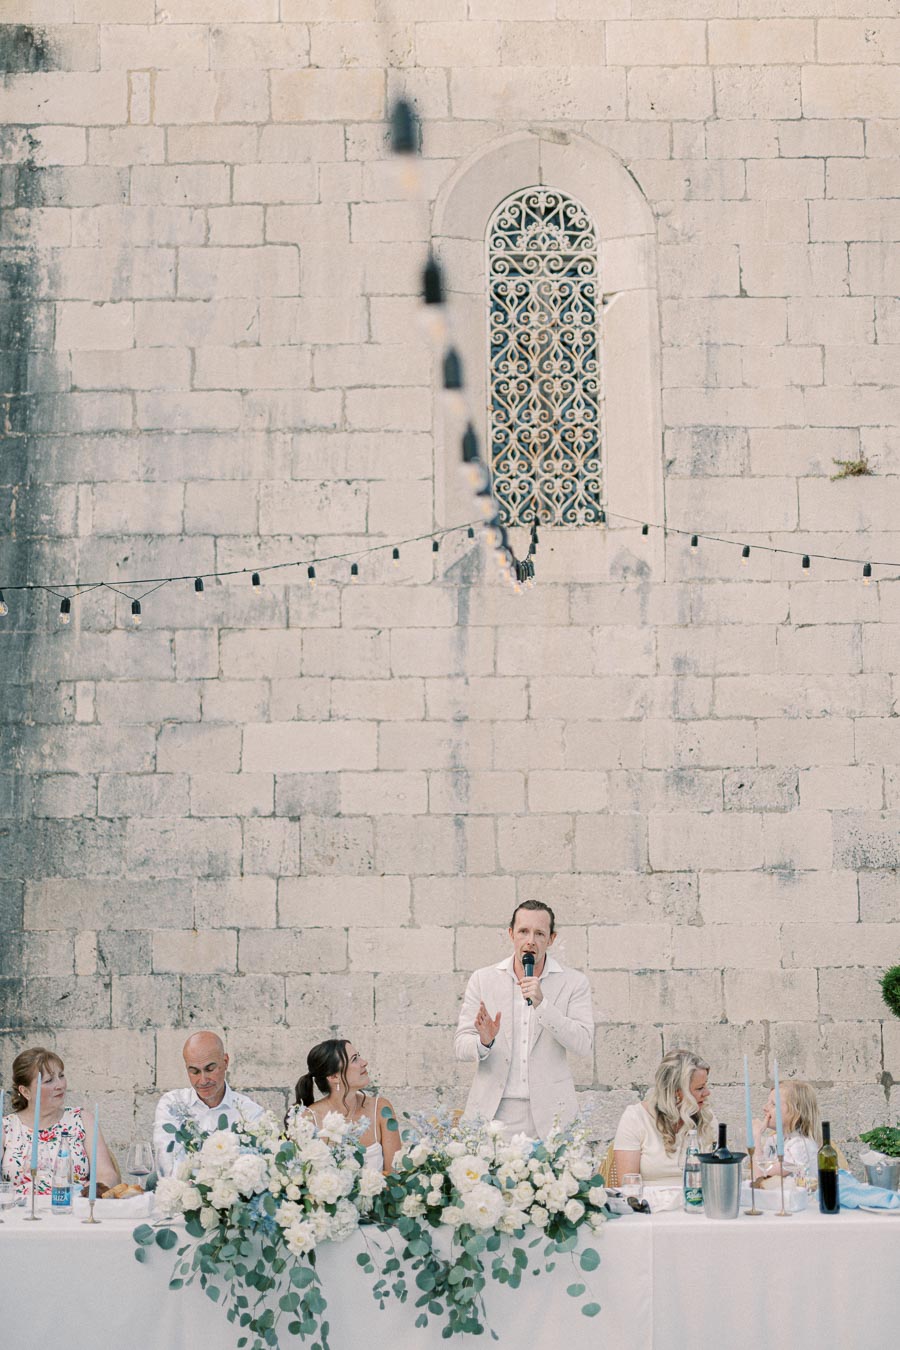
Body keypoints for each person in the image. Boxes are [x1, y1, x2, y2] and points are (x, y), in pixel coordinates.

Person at [454, 900, 594, 1140]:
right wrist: (484, 1042)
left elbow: (582, 1044)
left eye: (539, 933)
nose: (531, 940)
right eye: (523, 931)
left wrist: (543, 1005)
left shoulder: (574, 982)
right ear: (511, 934)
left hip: (552, 1115)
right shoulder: (483, 979)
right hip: (494, 1111)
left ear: (551, 939)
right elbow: (460, 1045)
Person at [1, 1046, 119, 1198]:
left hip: (73, 1211)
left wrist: (95, 1188)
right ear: (25, 1091)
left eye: (61, 1076)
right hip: (20, 1215)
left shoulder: (82, 1119)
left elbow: (108, 1174)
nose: (60, 1085)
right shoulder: (6, 1127)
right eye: (49, 1080)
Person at [153, 1031, 264, 1177]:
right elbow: (167, 1164)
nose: (203, 1080)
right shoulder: (172, 1104)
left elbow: (255, 1170)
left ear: (225, 1062)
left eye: (210, 1069)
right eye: (194, 1072)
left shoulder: (250, 1113)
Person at [290, 1039, 401, 1174]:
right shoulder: (308, 1120)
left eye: (358, 1056)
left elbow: (395, 1176)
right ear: (334, 1077)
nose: (364, 1062)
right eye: (355, 1059)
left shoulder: (381, 1108)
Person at [613, 1049, 716, 1186]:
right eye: (700, 1088)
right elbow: (629, 1185)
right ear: (675, 1092)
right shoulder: (636, 1118)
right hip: (649, 1205)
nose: (707, 1093)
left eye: (705, 1085)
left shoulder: (706, 1117)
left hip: (697, 1203)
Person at [753, 1079, 821, 1176]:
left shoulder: (800, 1145)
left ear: (795, 1113)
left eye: (773, 1104)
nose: (764, 1108)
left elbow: (760, 1176)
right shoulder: (773, 1140)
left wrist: (756, 1137)